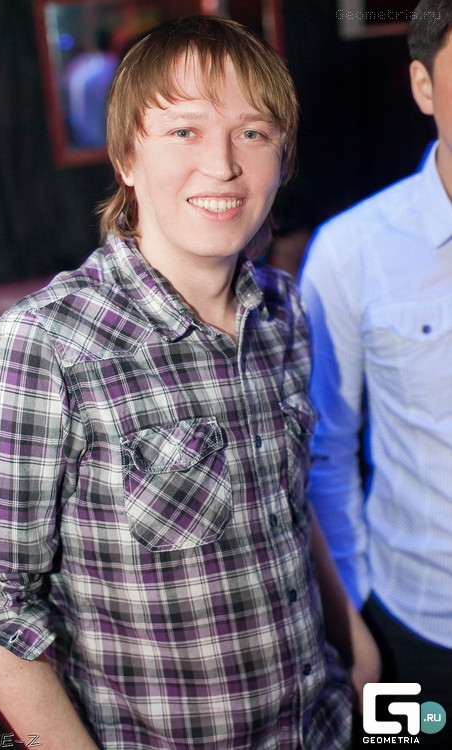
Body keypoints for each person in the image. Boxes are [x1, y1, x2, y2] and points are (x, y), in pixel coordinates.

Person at [0, 16, 375, 749]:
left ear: (282, 158)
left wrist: (355, 643)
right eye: (184, 131)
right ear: (126, 156)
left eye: (253, 133)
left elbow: (287, 497)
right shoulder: (43, 347)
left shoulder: (282, 311)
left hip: (323, 721)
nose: (223, 164)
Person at [300, 0, 452, 744]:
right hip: (415, 626)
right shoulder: (351, 249)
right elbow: (320, 447)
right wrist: (351, 611)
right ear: (425, 86)